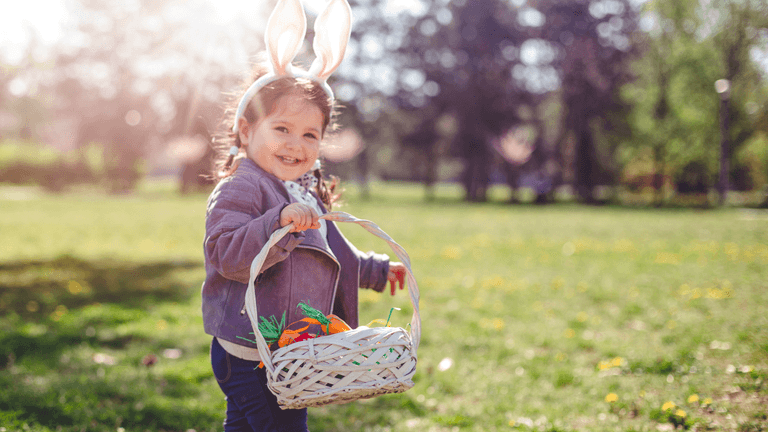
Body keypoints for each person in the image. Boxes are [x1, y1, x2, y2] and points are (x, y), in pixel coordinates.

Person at [202, 0, 406, 430]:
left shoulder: (306, 189)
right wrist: (276, 222)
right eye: (282, 129)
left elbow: (331, 250)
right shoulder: (243, 186)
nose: (296, 144)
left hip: (289, 350)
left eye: (310, 134)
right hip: (248, 351)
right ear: (245, 130)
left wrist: (374, 271)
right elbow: (225, 253)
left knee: (244, 426)